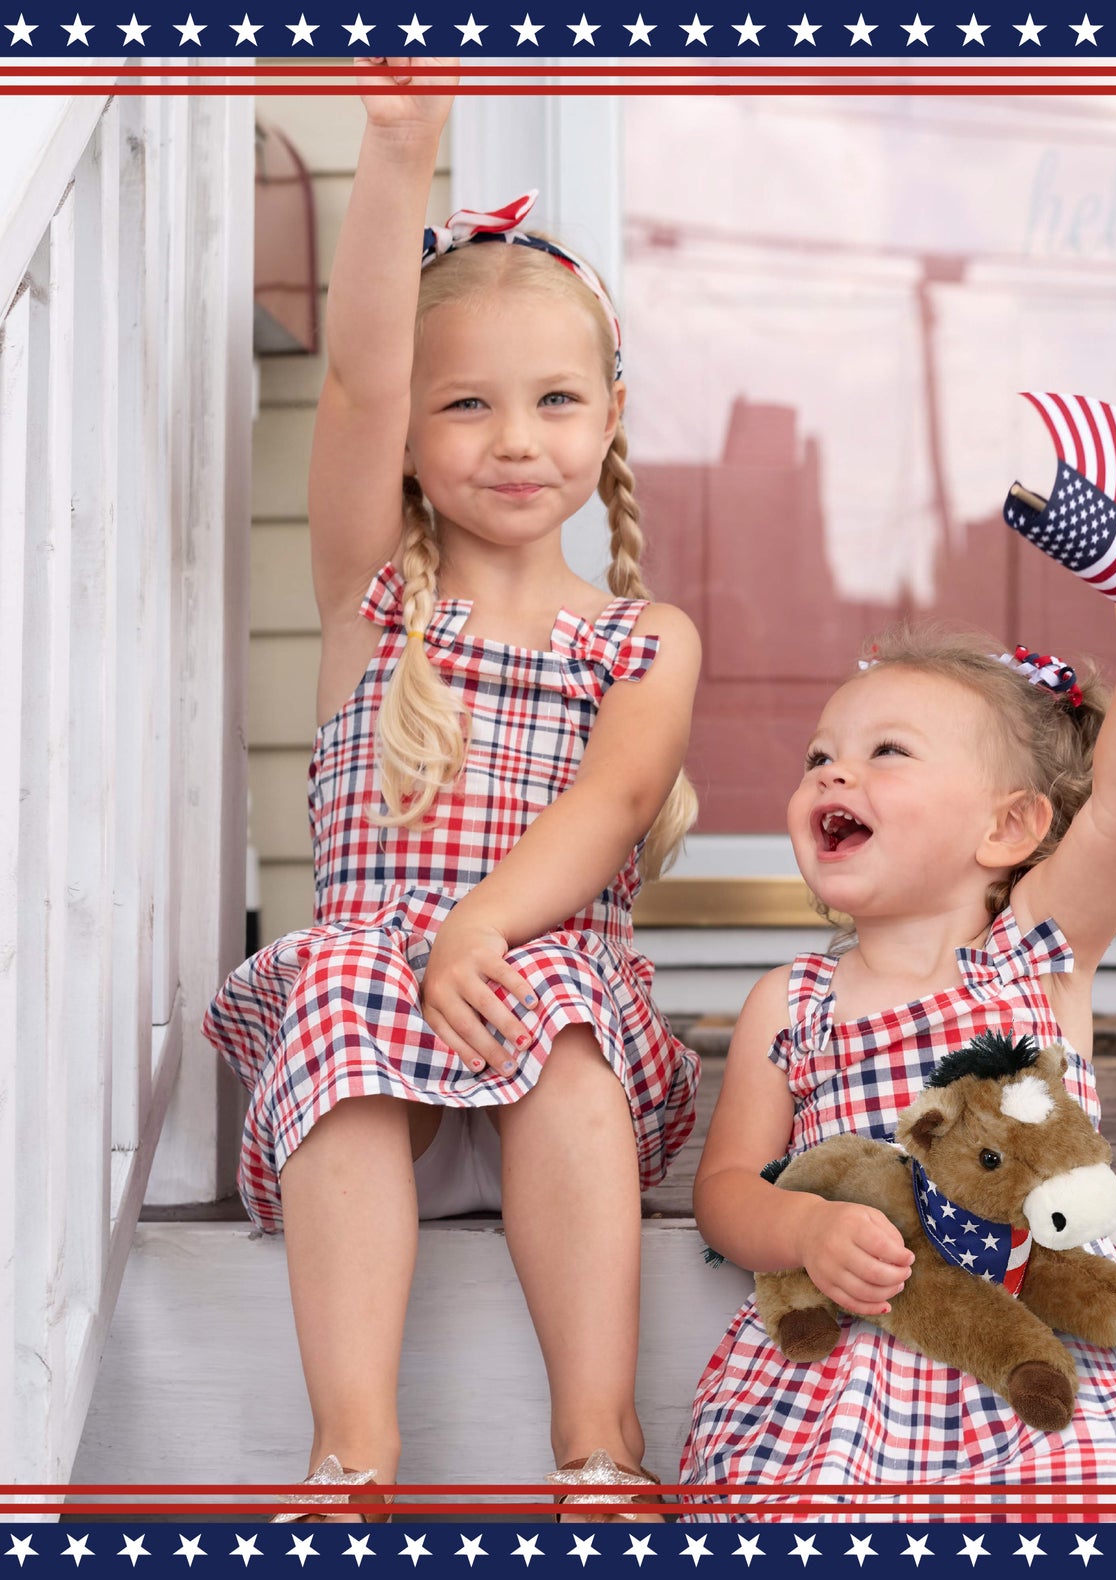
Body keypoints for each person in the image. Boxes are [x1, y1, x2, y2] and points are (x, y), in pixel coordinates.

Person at [205, 60, 700, 1523]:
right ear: (415, 441)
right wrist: (400, 145)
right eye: (465, 405)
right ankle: (350, 1459)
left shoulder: (641, 638)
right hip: (375, 1087)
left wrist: (482, 927)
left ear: (609, 417)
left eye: (554, 400)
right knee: (355, 976)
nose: (512, 438)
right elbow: (354, 371)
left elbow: (609, 806)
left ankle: (596, 1448)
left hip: (550, 1059)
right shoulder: (374, 602)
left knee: (551, 997)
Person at [682, 560, 1116, 1521]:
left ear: (1009, 826)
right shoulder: (791, 1003)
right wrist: (803, 1229)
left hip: (1038, 1348)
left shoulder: (1035, 956)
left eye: (888, 752)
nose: (832, 771)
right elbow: (725, 1189)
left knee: (1077, 1505)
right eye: (818, 757)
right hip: (859, 1364)